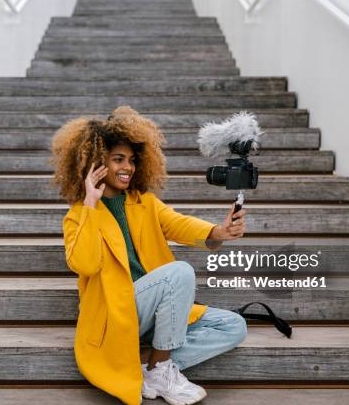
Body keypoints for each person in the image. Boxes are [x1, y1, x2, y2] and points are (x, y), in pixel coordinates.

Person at [51, 106, 247, 405]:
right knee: (179, 272)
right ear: (96, 163)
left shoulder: (145, 203)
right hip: (117, 313)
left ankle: (148, 363)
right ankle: (159, 367)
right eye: (118, 159)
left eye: (131, 160)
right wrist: (91, 201)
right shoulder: (79, 215)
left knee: (234, 326)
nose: (127, 167)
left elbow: (179, 224)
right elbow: (85, 264)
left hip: (155, 312)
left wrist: (219, 232)